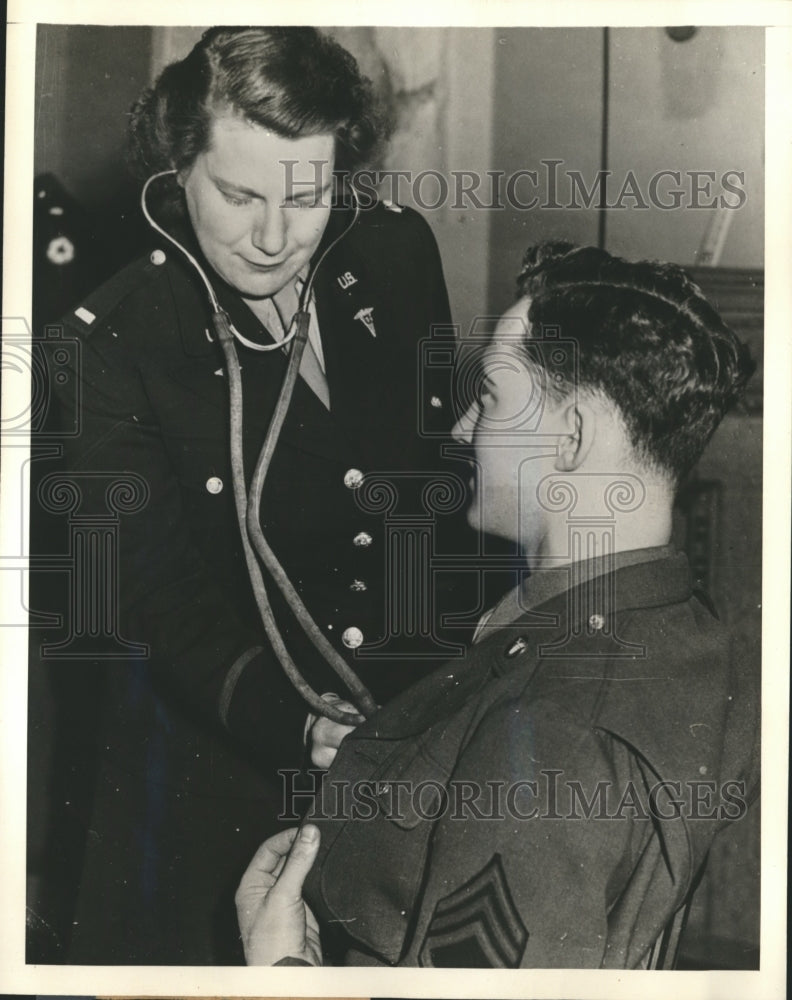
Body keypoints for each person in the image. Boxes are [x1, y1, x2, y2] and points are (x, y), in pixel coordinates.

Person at [42, 27, 469, 964]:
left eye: (306, 194)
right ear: (176, 165)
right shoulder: (110, 342)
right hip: (218, 764)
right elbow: (156, 594)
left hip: (404, 740)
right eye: (238, 195)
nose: (274, 236)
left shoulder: (395, 252)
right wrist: (299, 725)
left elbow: (434, 486)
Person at [235, 241, 760, 969]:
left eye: (488, 400)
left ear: (571, 437)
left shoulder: (552, 736)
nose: (461, 431)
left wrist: (283, 976)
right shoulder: (688, 636)